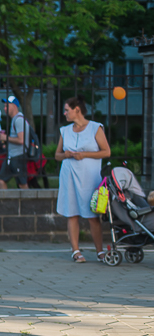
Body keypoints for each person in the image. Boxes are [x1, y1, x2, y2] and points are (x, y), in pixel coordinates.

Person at [56, 95, 110, 263]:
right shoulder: (65, 131)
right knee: (72, 213)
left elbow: (106, 152)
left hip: (90, 178)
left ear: (76, 110)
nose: (65, 113)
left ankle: (100, 252)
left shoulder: (95, 128)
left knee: (92, 215)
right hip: (69, 176)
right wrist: (66, 154)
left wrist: (84, 154)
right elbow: (57, 156)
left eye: (67, 110)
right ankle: (76, 251)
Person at [0, 95, 30, 190]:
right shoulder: (15, 120)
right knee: (1, 180)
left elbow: (21, 140)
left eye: (7, 106)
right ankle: (5, 204)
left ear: (14, 106)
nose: (5, 108)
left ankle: (29, 203)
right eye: (5, 106)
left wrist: (5, 137)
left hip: (18, 156)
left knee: (22, 184)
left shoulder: (19, 120)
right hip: (12, 156)